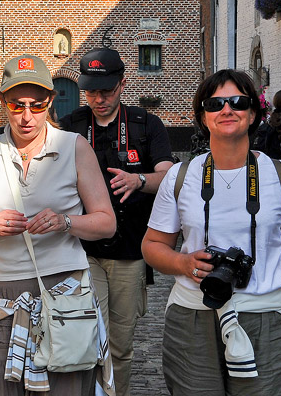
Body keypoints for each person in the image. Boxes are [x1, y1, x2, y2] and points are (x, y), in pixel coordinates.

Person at [141, 68, 281, 396]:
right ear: (202, 117)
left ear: (254, 113)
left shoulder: (280, 174)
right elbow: (153, 245)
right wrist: (184, 263)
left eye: (238, 102)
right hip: (193, 317)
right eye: (214, 104)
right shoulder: (180, 176)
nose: (227, 110)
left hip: (267, 316)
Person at [0, 54, 117, 395]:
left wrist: (65, 221)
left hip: (65, 299)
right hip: (4, 302)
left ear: (49, 102)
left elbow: (106, 223)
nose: (27, 116)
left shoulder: (74, 147)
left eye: (37, 104)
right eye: (17, 105)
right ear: (3, 102)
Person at [59, 47, 174, 396]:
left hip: (130, 252)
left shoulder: (146, 124)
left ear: (122, 84)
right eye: (91, 92)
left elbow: (168, 177)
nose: (98, 99)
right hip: (83, 251)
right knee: (88, 337)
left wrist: (139, 181)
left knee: (121, 345)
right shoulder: (72, 126)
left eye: (106, 92)